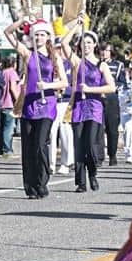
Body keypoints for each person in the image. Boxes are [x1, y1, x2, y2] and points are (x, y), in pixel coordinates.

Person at [4, 18, 67, 199]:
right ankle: (31, 187)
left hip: (47, 105)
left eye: (42, 34)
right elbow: (7, 33)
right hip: (29, 105)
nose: (38, 37)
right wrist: (22, 21)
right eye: (36, 34)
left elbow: (64, 82)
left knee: (40, 144)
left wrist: (47, 86)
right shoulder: (27, 54)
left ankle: (42, 181)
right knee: (28, 148)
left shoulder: (55, 57)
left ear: (48, 36)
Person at [62, 24, 115, 192]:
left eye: (89, 42)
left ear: (94, 45)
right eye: (83, 42)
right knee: (78, 144)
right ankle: (81, 182)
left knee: (90, 144)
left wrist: (91, 89)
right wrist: (76, 27)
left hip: (94, 106)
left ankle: (92, 173)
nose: (86, 45)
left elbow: (111, 87)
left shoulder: (102, 65)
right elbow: (64, 43)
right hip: (78, 106)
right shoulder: (77, 62)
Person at [49, 40, 74, 174]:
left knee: (66, 132)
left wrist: (65, 88)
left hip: (65, 101)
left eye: (61, 49)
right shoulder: (51, 64)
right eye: (57, 49)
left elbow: (74, 84)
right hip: (52, 101)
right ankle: (50, 164)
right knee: (51, 132)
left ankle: (66, 163)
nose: (59, 52)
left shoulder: (70, 65)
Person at [100, 44, 125, 166]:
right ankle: (99, 155)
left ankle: (112, 154)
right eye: (102, 50)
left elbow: (122, 82)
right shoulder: (95, 63)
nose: (104, 53)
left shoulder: (118, 65)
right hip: (97, 96)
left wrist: (113, 88)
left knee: (112, 129)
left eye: (106, 50)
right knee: (97, 128)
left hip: (111, 98)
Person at [0, 56, 20, 157]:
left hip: (2, 103)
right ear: (14, 63)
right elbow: (12, 87)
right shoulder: (12, 72)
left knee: (3, 127)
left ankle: (1, 149)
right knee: (9, 128)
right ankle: (7, 151)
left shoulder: (3, 72)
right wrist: (18, 100)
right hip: (10, 103)